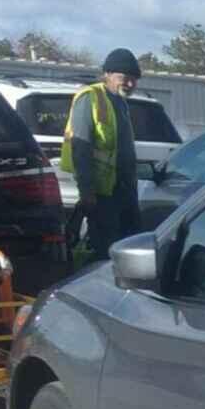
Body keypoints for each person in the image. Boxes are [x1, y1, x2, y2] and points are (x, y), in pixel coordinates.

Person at [63, 49, 142, 260]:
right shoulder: (90, 97)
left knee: (129, 246)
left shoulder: (121, 102)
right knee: (106, 251)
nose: (130, 84)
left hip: (123, 190)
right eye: (124, 78)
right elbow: (81, 147)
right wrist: (86, 191)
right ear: (107, 74)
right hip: (101, 194)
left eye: (134, 80)